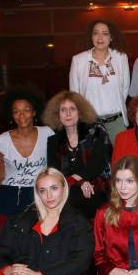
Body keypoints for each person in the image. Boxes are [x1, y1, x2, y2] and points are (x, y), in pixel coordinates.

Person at [0, 168, 93, 275]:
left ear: (64, 188)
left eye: (54, 188)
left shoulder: (78, 223)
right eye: (42, 190)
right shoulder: (19, 220)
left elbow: (81, 261)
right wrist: (7, 269)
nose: (49, 195)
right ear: (37, 193)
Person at [0, 85, 53, 216]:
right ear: (11, 115)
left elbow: (54, 168)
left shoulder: (48, 134)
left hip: (39, 192)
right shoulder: (1, 140)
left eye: (26, 110)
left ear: (34, 112)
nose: (21, 115)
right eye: (16, 111)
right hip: (10, 192)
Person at [44, 91, 111, 219]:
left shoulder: (96, 131)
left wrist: (75, 177)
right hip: (68, 192)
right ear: (57, 115)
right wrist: (78, 181)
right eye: (63, 110)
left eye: (72, 109)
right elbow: (54, 173)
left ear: (80, 112)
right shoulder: (53, 141)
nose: (68, 114)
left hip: (97, 187)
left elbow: (97, 165)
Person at [69, 19, 130, 143]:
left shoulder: (121, 57)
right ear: (91, 37)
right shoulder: (78, 60)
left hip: (117, 123)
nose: (100, 37)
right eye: (96, 33)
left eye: (105, 33)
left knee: (120, 160)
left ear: (111, 37)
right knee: (93, 161)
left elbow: (125, 89)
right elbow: (74, 95)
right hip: (90, 124)